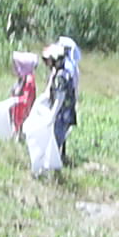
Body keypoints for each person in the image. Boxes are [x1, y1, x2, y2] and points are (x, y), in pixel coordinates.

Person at [44, 39, 79, 167]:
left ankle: (52, 168)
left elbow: (60, 98)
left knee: (56, 140)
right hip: (63, 113)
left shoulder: (61, 76)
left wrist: (52, 115)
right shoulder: (60, 73)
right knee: (54, 140)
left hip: (62, 114)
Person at [9, 51, 39, 134]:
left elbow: (27, 100)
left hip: (22, 114)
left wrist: (16, 99)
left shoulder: (29, 81)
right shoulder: (22, 78)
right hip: (17, 112)